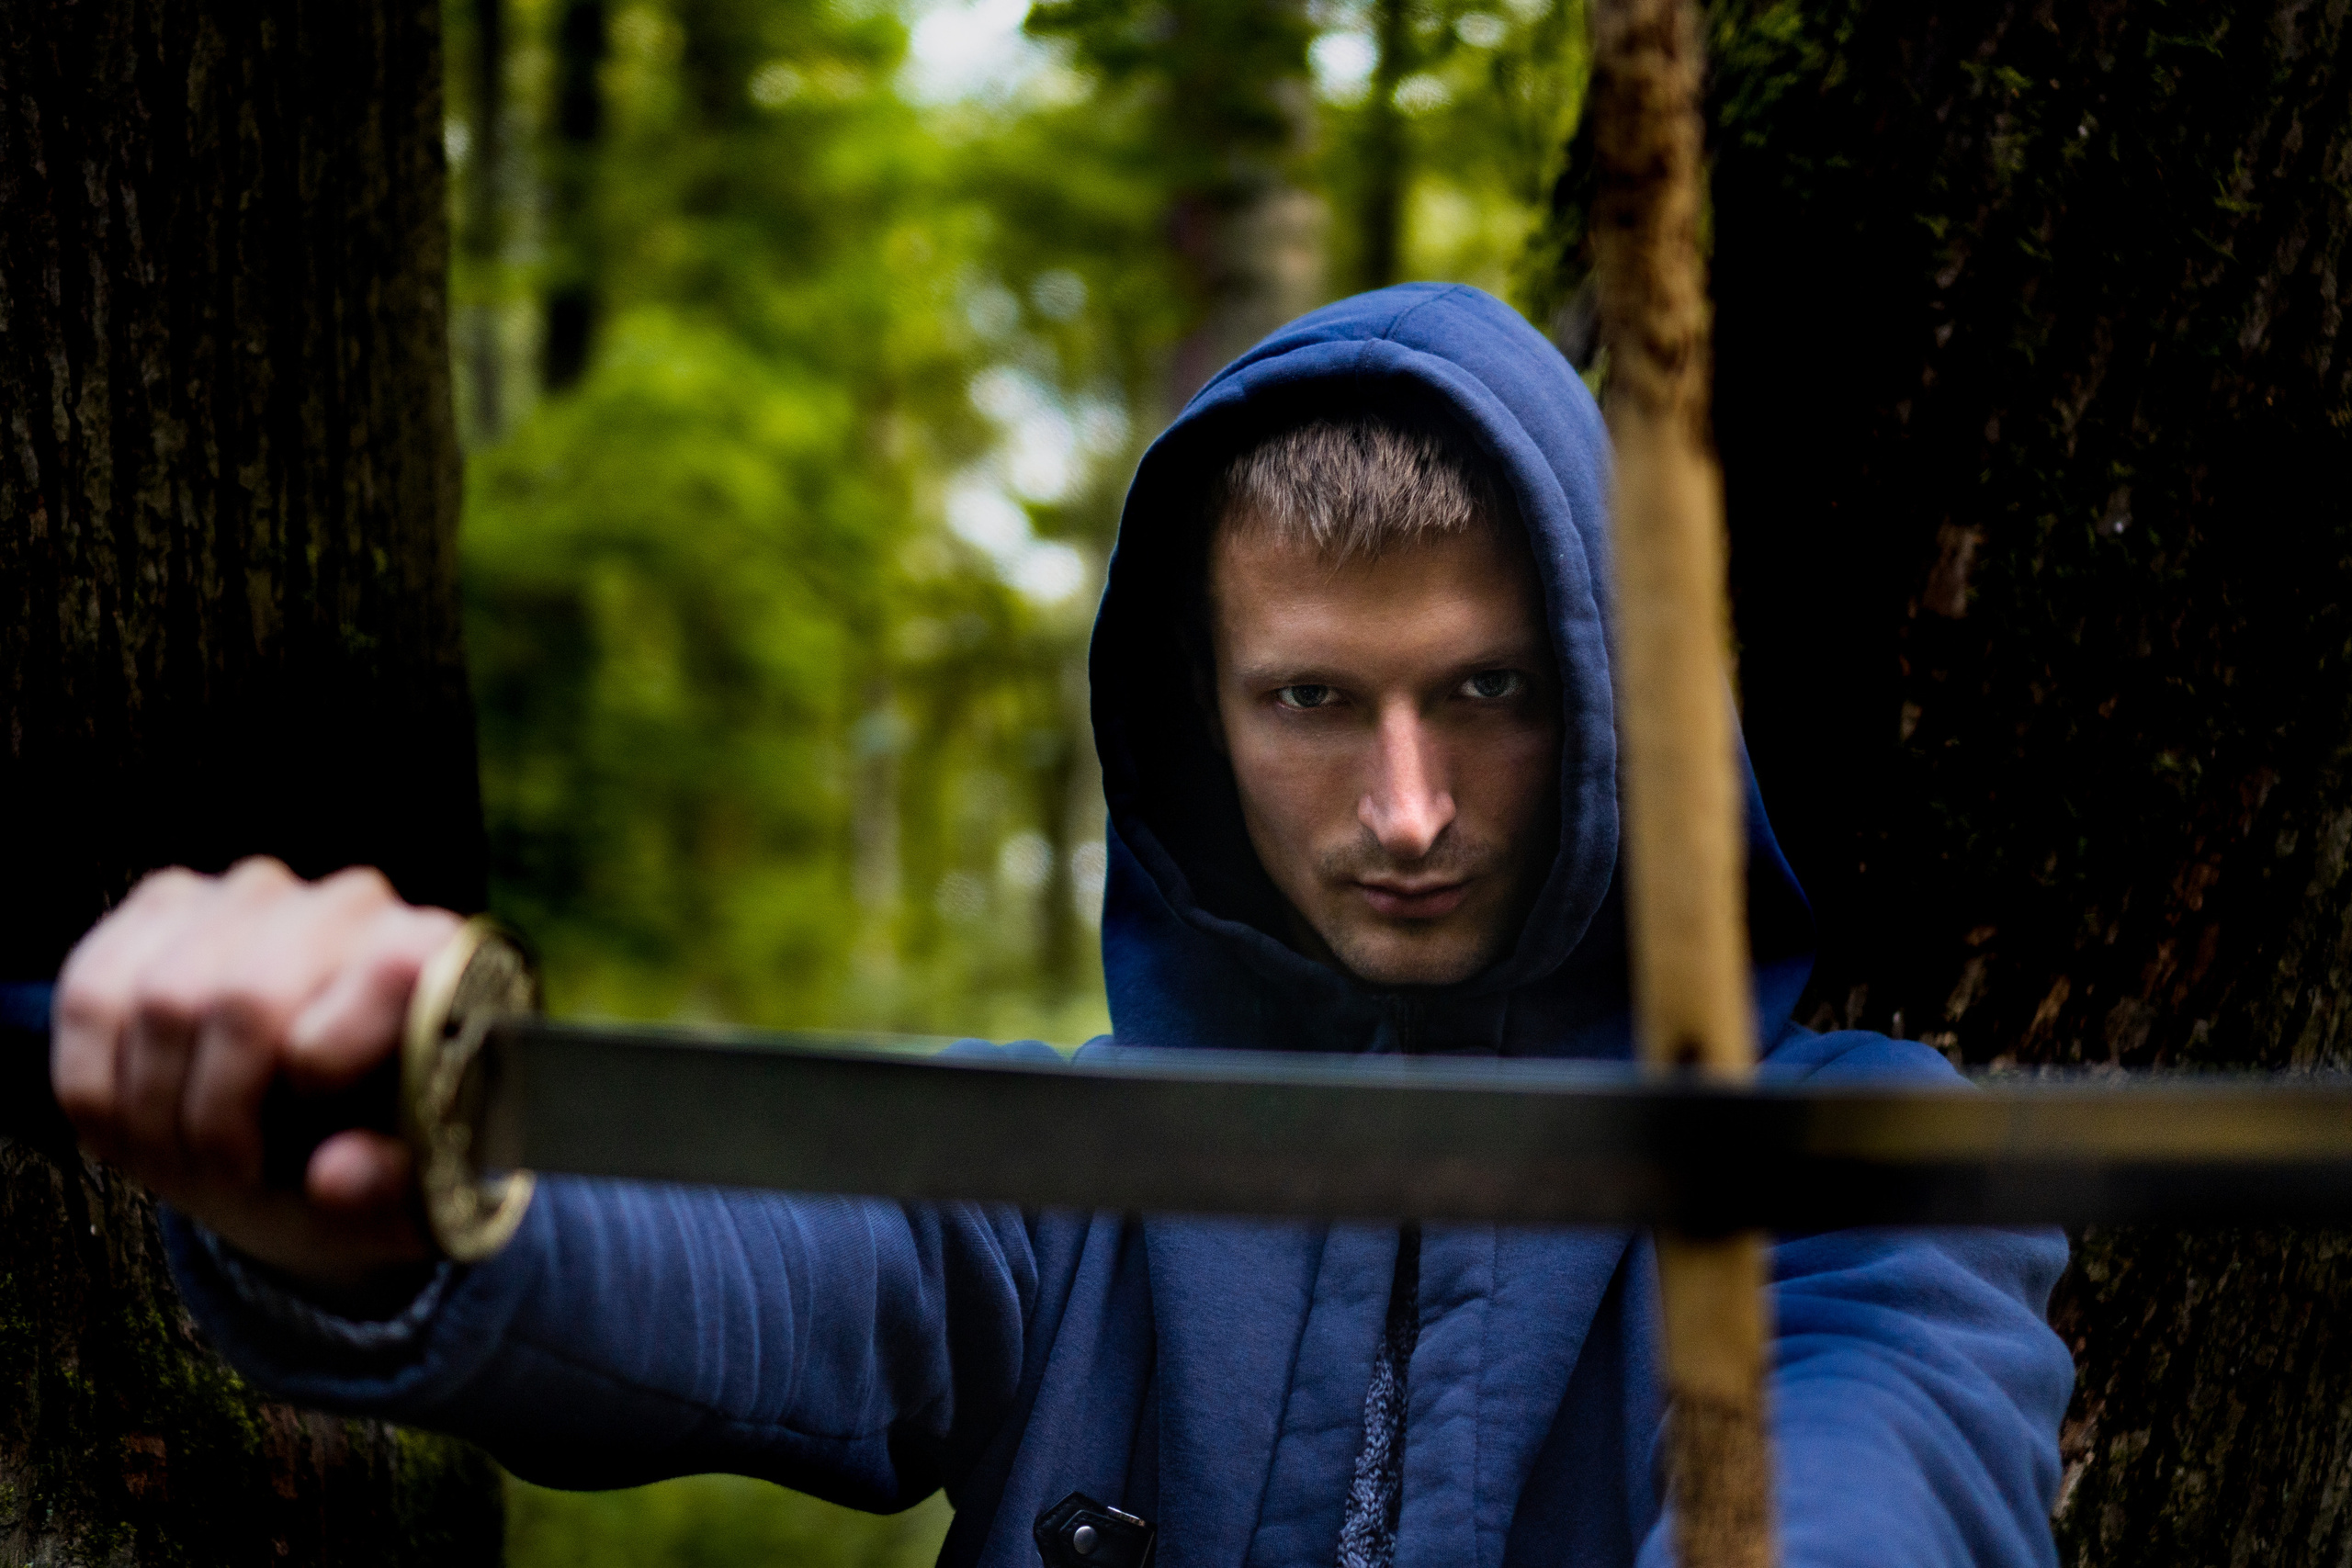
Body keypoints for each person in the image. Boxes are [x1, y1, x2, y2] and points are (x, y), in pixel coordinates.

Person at [50, 285, 2074, 1567]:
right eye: (1308, 700)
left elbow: (1873, 1456)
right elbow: (760, 1247)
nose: (1402, 808)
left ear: (1614, 694)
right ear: (1198, 720)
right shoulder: (1060, 1185)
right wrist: (402, 1188)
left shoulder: (1854, 1172)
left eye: (1485, 689)